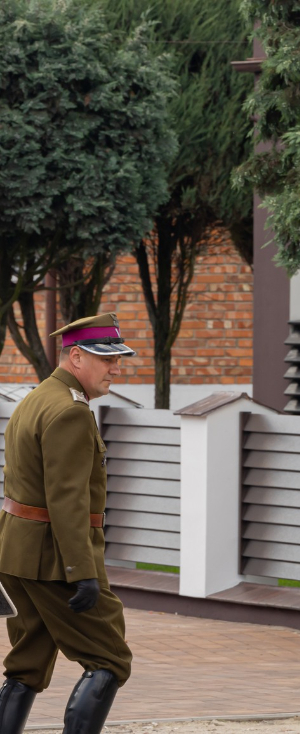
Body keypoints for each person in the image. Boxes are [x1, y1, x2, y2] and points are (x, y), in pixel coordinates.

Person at [0, 314, 135, 734]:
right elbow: (67, 500)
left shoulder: (37, 398)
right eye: (106, 359)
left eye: (118, 359)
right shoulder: (70, 412)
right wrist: (83, 572)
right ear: (76, 357)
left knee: (27, 664)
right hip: (54, 562)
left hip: (17, 554)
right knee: (109, 659)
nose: (116, 368)